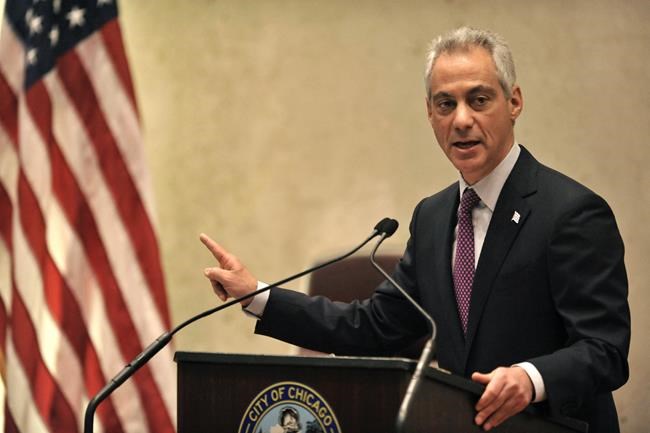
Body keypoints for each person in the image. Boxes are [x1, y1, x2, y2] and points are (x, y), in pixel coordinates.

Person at [200, 27, 630, 433]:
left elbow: (605, 350)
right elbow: (374, 326)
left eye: (479, 100)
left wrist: (531, 378)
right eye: (445, 105)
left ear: (514, 102)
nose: (461, 120)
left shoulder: (570, 213)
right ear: (429, 113)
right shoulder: (433, 217)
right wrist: (256, 295)